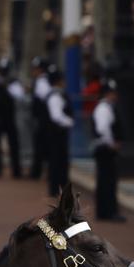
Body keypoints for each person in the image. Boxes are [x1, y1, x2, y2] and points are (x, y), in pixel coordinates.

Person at [91, 81, 125, 222]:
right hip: (104, 148)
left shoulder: (107, 107)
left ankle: (106, 211)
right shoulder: (103, 108)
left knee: (107, 180)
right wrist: (111, 143)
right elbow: (102, 129)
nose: (115, 95)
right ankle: (108, 211)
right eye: (113, 93)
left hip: (105, 147)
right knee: (107, 181)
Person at [41, 64, 74, 197]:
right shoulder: (55, 95)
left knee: (60, 161)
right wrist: (69, 122)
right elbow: (56, 116)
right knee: (57, 161)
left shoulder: (56, 94)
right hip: (57, 133)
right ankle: (56, 188)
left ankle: (60, 188)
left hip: (58, 133)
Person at [0, 58, 23, 179]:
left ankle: (16, 170)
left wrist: (7, 86)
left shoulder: (13, 83)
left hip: (8, 117)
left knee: (14, 144)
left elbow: (19, 95)